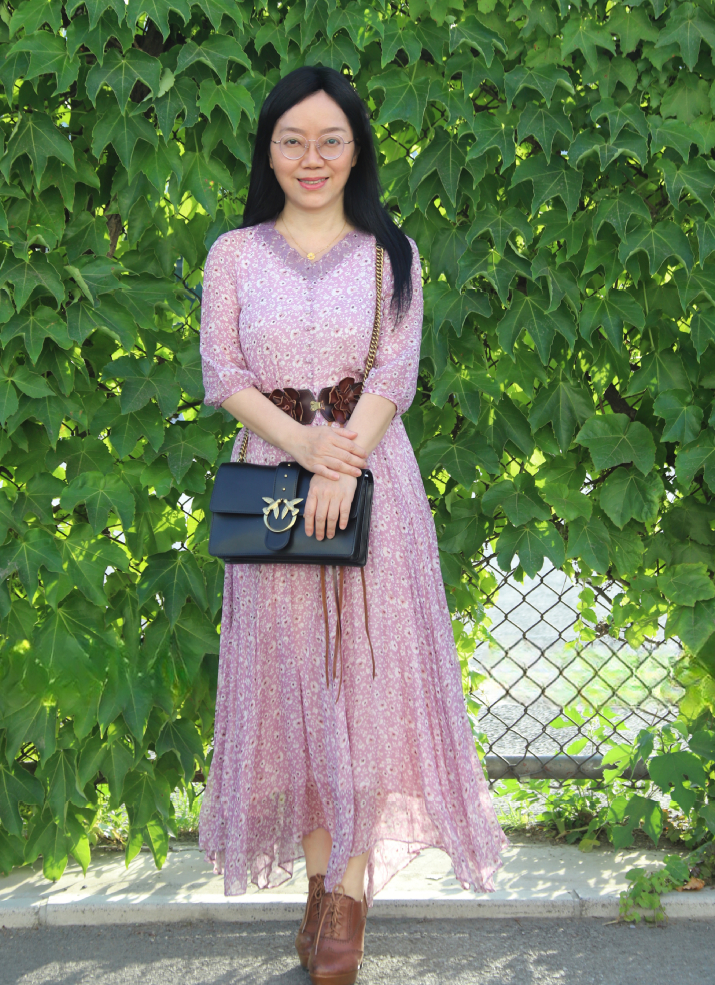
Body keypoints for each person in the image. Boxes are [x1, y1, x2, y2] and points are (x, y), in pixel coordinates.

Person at [198, 66, 507, 985]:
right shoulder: (233, 254)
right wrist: (303, 448)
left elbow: (393, 376)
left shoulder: (390, 254)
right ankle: (318, 883)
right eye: (291, 140)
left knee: (365, 690)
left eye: (330, 140)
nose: (312, 158)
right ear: (268, 152)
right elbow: (223, 372)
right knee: (294, 689)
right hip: (273, 490)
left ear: (356, 149)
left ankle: (348, 898)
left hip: (376, 491)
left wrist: (342, 462)